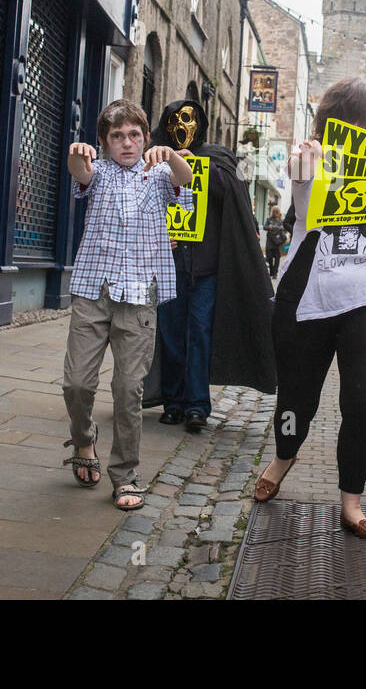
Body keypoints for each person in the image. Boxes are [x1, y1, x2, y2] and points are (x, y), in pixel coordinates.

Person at [252, 77, 366, 540]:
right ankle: (284, 454)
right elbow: (298, 170)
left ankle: (352, 500)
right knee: (296, 395)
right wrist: (302, 159)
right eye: (348, 125)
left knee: (362, 402)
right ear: (330, 125)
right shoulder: (311, 157)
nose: (359, 134)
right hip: (309, 296)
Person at [62, 100, 192, 511]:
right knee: (77, 383)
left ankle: (125, 475)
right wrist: (75, 156)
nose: (126, 142)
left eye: (134, 134)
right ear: (104, 141)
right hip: (93, 289)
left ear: (146, 138)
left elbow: (184, 179)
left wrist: (170, 155)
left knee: (128, 389)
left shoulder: (157, 175)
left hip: (140, 296)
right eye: (116, 136)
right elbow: (79, 173)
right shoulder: (97, 173)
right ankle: (84, 440)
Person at [144, 99, 276, 432]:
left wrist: (201, 168)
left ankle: (197, 405)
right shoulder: (153, 156)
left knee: (199, 332)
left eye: (189, 120)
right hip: (169, 261)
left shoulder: (216, 157)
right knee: (172, 333)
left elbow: (230, 193)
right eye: (176, 120)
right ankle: (173, 402)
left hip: (206, 266)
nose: (183, 127)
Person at [264, 207, 286, 278]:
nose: (276, 213)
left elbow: (286, 229)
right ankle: (272, 271)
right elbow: (265, 227)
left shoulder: (281, 221)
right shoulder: (269, 219)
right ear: (272, 212)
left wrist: (283, 228)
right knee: (269, 257)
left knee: (277, 258)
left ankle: (275, 273)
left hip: (278, 242)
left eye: (277, 211)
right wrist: (269, 227)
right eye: (274, 211)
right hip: (270, 241)